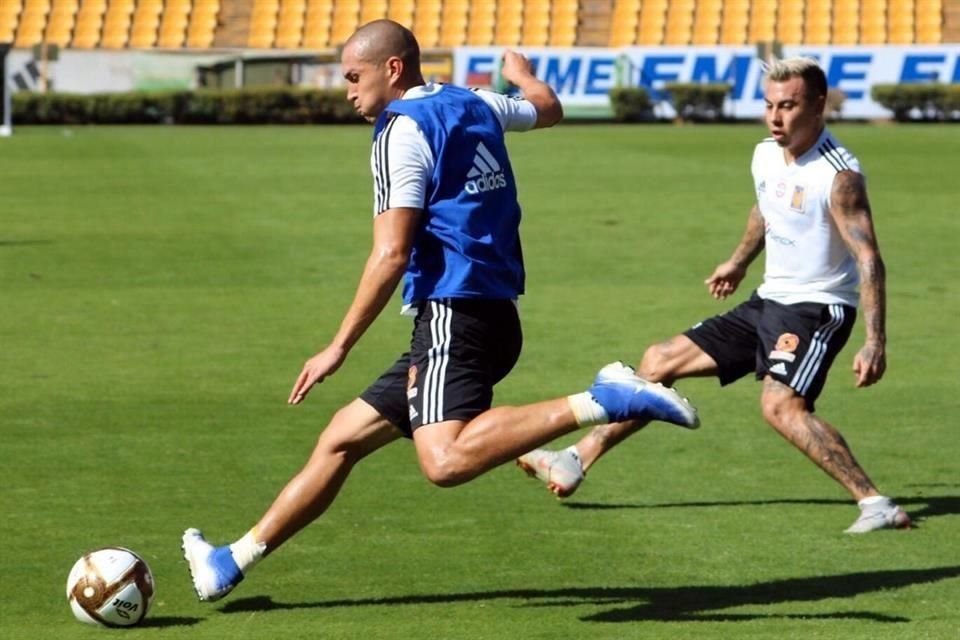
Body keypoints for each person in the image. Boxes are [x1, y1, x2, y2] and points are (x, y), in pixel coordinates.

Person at [181, 19, 699, 602]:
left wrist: (338, 347)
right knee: (341, 440)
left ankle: (604, 397)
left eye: (355, 76)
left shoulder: (399, 131)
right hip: (493, 314)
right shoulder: (471, 101)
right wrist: (522, 76)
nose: (348, 90)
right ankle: (231, 560)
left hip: (454, 313)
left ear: (392, 68)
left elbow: (391, 253)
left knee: (445, 460)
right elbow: (546, 109)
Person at [518, 56, 910, 534]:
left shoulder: (838, 175)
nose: (775, 117)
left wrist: (876, 341)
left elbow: (869, 257)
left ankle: (876, 503)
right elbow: (765, 209)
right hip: (769, 300)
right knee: (658, 360)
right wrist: (739, 261)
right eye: (769, 105)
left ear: (819, 106)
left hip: (816, 308)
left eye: (788, 106)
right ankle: (577, 457)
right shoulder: (765, 153)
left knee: (781, 408)